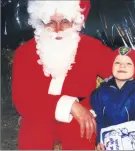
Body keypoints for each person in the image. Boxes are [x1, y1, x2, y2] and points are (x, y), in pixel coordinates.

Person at [12, 0, 114, 150]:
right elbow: (22, 99)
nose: (58, 29)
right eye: (51, 23)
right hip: (38, 114)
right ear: (41, 22)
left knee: (82, 137)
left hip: (80, 117)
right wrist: (70, 105)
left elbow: (122, 67)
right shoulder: (24, 53)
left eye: (65, 22)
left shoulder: (91, 47)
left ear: (75, 21)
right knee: (33, 137)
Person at [90, 47, 135, 150]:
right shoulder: (100, 93)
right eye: (117, 62)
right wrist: (99, 141)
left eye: (128, 63)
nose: (122, 66)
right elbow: (99, 121)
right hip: (110, 145)